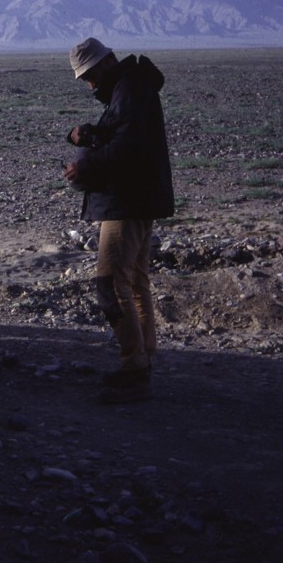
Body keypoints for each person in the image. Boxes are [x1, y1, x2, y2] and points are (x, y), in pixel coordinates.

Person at [63, 38, 174, 403]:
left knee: (111, 284)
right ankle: (142, 359)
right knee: (135, 280)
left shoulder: (128, 90)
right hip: (136, 200)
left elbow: (126, 149)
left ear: (107, 62)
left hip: (125, 203)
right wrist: (90, 134)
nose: (90, 83)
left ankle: (134, 367)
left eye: (91, 75)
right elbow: (124, 138)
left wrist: (84, 165)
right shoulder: (130, 88)